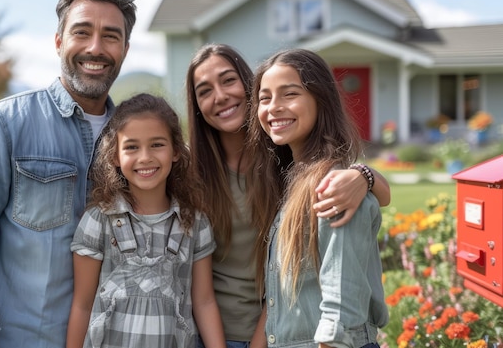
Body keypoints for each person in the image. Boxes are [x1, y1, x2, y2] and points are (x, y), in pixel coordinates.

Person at [0, 0, 137, 348]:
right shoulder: (0, 126)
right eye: (81, 31)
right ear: (58, 41)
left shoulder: (138, 143)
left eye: (111, 36)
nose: (96, 47)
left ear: (124, 49)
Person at [185, 44, 390, 348]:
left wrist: (364, 176)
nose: (220, 96)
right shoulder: (189, 171)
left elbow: (329, 296)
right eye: (204, 91)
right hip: (216, 334)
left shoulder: (284, 164)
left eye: (229, 80)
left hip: (280, 334)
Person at [248, 48, 388, 348]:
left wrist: (364, 176)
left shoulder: (336, 188)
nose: (274, 107)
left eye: (289, 94)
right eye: (265, 97)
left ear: (320, 99)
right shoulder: (291, 183)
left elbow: (340, 315)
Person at [66, 93, 226, 348]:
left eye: (157, 145)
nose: (145, 157)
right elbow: (82, 304)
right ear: (115, 157)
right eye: (131, 147)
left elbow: (204, 301)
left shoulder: (194, 222)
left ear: (175, 151)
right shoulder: (99, 220)